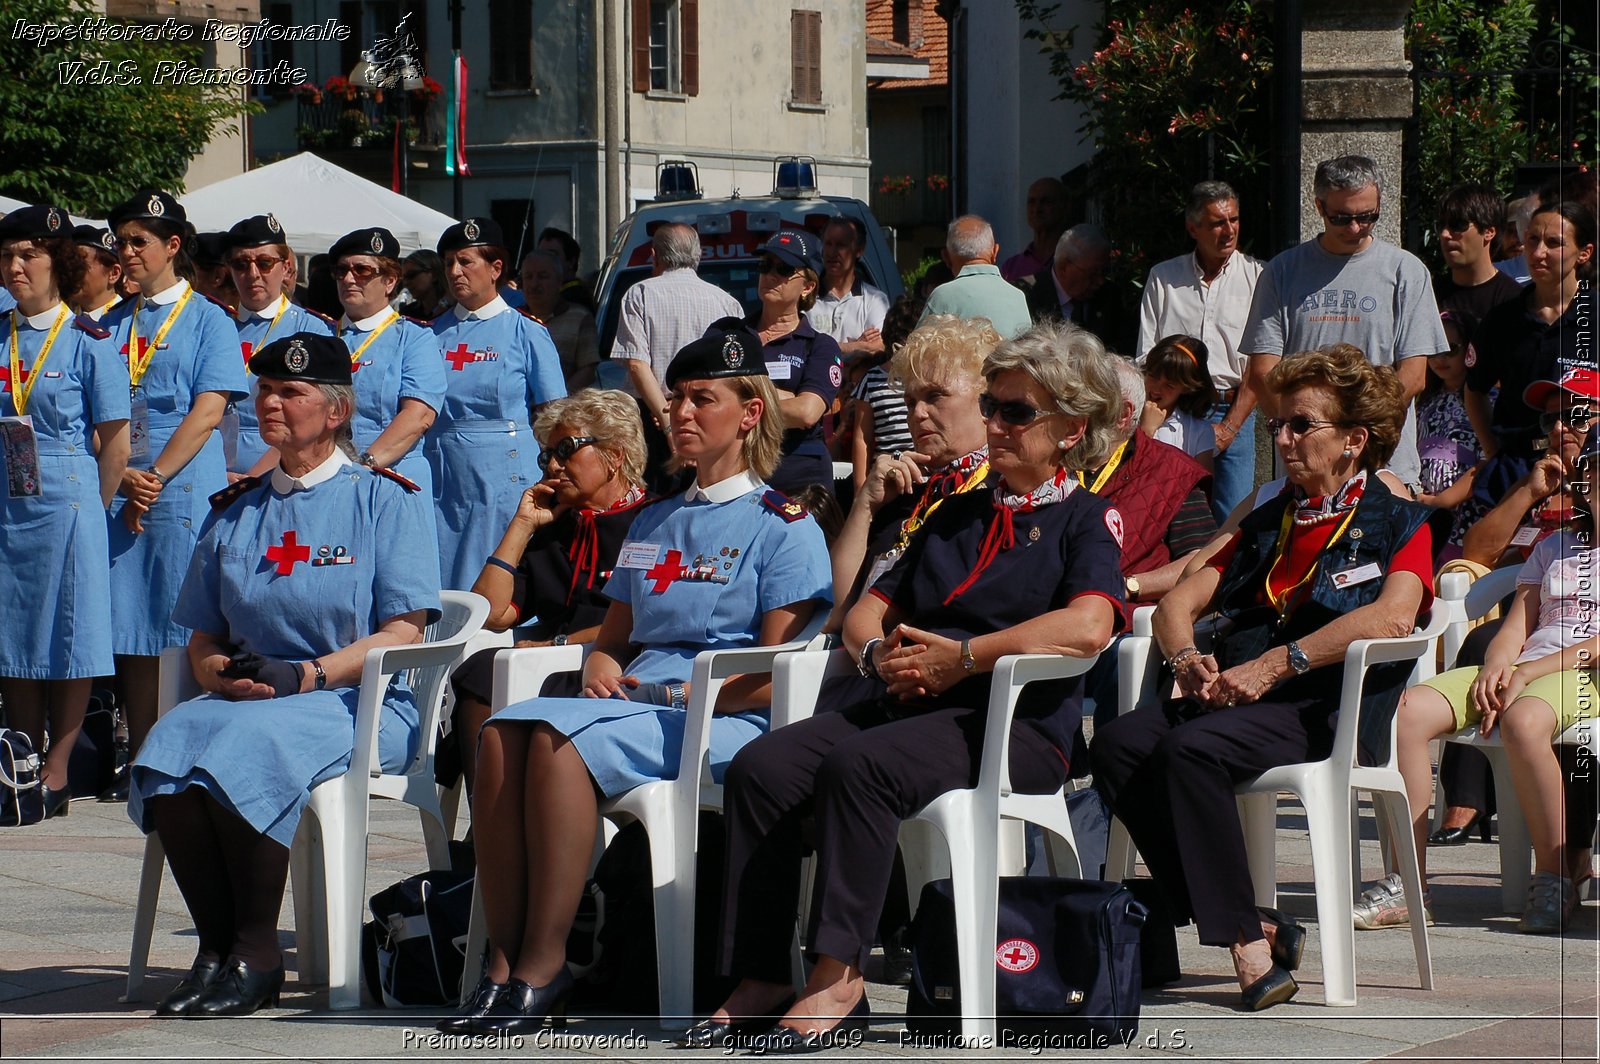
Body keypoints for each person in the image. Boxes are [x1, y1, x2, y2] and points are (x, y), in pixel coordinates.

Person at [699, 320, 1125, 1048]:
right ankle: (764, 971)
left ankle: (837, 978)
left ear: (1069, 427)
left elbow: (1090, 625)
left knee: (857, 767)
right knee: (762, 767)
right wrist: (878, 660)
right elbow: (866, 609)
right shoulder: (958, 509)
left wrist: (961, 659)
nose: (994, 422)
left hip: (1009, 727)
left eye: (1015, 412)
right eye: (991, 405)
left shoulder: (1082, 519)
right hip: (905, 702)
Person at [441, 322, 832, 1036]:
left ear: (749, 413)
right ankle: (502, 962)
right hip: (632, 711)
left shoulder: (784, 524)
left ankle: (546, 963)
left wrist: (684, 692)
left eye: (701, 400)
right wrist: (600, 665)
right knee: (501, 732)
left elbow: (780, 672)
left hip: (717, 719)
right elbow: (614, 638)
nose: (680, 413)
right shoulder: (656, 521)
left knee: (556, 740)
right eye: (676, 399)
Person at [1093, 343, 1433, 1010]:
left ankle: (1245, 947)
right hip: (1236, 699)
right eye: (1278, 423)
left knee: (1191, 751)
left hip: (1323, 711)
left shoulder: (1397, 520)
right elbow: (1179, 604)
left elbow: (1394, 618)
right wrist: (1187, 661)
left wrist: (1279, 663)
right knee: (1117, 745)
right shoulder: (1267, 519)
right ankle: (1258, 921)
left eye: (1300, 425)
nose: (1281, 437)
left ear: (1353, 441)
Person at [127, 332, 441, 1017]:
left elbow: (404, 630)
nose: (271, 402)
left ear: (334, 412)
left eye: (291, 392)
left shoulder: (383, 500)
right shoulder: (236, 509)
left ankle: (258, 952)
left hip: (358, 703)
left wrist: (306, 673)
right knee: (170, 747)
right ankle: (216, 951)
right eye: (265, 390)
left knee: (245, 746)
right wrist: (217, 674)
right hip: (253, 698)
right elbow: (204, 634)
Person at [1385, 426, 1598, 934]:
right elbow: (1518, 624)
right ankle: (1407, 884)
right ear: (1586, 481)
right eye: (1596, 473)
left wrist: (1528, 671)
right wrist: (1497, 665)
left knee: (1524, 722)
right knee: (1407, 711)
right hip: (1529, 667)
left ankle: (1553, 878)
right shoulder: (1556, 547)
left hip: (1582, 674)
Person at [103, 190, 246, 777]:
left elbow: (209, 409)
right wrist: (122, 473)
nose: (127, 252)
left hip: (179, 479)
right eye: (122, 241)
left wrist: (155, 473)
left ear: (173, 246)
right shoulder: (111, 320)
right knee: (129, 620)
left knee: (180, 619)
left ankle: (185, 751)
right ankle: (142, 751)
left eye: (139, 241)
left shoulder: (210, 318)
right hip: (121, 476)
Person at [447, 389, 650, 795]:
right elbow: (491, 612)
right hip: (549, 666)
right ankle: (488, 823)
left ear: (615, 455)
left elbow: (641, 621)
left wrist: (556, 643)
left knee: (492, 671)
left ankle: (497, 821)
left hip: (620, 671)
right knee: (479, 667)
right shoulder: (555, 528)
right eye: (547, 456)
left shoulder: (653, 522)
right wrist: (522, 526)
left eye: (566, 449)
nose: (553, 465)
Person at [0, 205, 131, 819]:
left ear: (62, 263)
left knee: (72, 632)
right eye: (7, 256)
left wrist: (93, 512)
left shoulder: (89, 340)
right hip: (8, 496)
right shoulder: (0, 333)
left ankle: (57, 771)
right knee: (15, 629)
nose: (16, 266)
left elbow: (117, 442)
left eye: (29, 254)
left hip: (71, 494)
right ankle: (20, 758)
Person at [1240, 155, 1447, 488]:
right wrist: (1309, 432)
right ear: (1319, 207)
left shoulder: (1406, 271)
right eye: (1342, 218)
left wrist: (1356, 434)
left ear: (1380, 202)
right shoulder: (1281, 272)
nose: (1355, 228)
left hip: (1385, 466)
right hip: (1306, 468)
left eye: (1367, 216)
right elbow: (1265, 373)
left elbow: (1413, 377)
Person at [828, 314, 999, 631]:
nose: (918, 413)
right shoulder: (909, 489)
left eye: (935, 396)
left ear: (985, 404)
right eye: (910, 402)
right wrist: (865, 507)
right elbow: (837, 609)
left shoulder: (1004, 492)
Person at [427, 217, 567, 591]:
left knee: (496, 571)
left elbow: (557, 414)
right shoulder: (430, 333)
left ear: (496, 269)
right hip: (442, 472)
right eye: (448, 264)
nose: (454, 272)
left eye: (465, 261)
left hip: (502, 476)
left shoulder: (526, 331)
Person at [1461, 200, 1596, 536]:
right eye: (1533, 240)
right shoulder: (1502, 319)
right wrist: (1492, 448)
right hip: (1516, 469)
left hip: (1588, 469)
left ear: (1584, 253)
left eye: (1554, 243)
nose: (1537, 253)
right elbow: (1474, 389)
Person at [1137, 181, 1264, 520]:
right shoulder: (1164, 278)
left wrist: (1231, 427)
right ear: (1192, 227)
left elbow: (1260, 362)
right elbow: (1147, 354)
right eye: (1217, 223)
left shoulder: (1258, 277)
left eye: (1234, 220)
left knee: (1232, 517)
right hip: (1177, 411)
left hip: (1232, 409)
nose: (1229, 230)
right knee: (1171, 510)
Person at [329, 227, 447, 498]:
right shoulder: (321, 336)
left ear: (390, 281)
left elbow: (418, 416)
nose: (348, 278)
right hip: (326, 478)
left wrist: (363, 466)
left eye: (362, 270)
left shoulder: (414, 338)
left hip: (391, 476)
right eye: (341, 270)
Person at [222, 215, 335, 479]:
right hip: (215, 467)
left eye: (264, 263)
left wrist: (253, 479)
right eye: (240, 264)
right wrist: (216, 472)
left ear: (285, 268)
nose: (252, 275)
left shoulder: (311, 329)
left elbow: (312, 421)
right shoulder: (216, 323)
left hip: (282, 469)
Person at [611, 224, 743, 428]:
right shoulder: (727, 302)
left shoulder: (639, 294)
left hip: (651, 414)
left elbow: (637, 364)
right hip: (707, 412)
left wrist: (667, 420)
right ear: (698, 255)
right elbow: (732, 369)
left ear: (654, 256)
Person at [747, 232, 844, 494]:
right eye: (765, 266)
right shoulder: (731, 334)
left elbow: (805, 413)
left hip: (800, 480)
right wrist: (783, 396)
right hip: (740, 475)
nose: (771, 275)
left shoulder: (820, 346)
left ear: (808, 287)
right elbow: (705, 391)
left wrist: (742, 394)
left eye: (784, 269)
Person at [1414, 311, 1483, 560]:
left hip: (1467, 512)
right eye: (1433, 350)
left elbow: (1487, 460)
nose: (1440, 358)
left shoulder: (1486, 400)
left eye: (1450, 349)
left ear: (1469, 348)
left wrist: (1444, 500)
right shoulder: (1424, 401)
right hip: (1425, 510)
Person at [918, 215, 1032, 339]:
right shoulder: (1018, 297)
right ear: (995, 252)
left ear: (946, 256)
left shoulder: (943, 296)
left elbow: (914, 354)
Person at [1433, 183, 1525, 323]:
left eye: (1458, 225)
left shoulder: (1514, 300)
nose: (1445, 234)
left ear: (1488, 232)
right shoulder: (1429, 295)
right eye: (1440, 226)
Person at [807, 217, 890, 364]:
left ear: (859, 250)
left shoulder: (875, 299)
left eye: (841, 245)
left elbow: (879, 348)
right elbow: (804, 348)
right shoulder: (806, 296)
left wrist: (823, 347)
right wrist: (857, 346)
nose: (832, 252)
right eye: (828, 244)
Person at [1021, 224, 1118, 347]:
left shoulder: (1110, 296)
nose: (1100, 281)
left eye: (1104, 272)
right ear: (1064, 267)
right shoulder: (1025, 296)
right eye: (1093, 274)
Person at [519, 248, 598, 392]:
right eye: (528, 277)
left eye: (543, 276)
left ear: (559, 281)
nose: (534, 284)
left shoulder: (580, 317)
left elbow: (588, 370)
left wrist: (558, 402)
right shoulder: (512, 319)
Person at [1139, 334, 1219, 469]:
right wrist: (1146, 432)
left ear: (1186, 388)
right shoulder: (1127, 416)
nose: (1157, 388)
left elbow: (1202, 484)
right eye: (1152, 376)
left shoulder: (1200, 431)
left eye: (1169, 385)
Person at [999, 177, 1069, 283]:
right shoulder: (1011, 267)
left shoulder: (1074, 261)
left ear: (1065, 207)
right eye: (1031, 202)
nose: (1037, 209)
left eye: (1046, 202)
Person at [68, 225, 125, 321]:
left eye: (80, 263)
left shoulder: (128, 320)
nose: (70, 270)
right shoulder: (64, 321)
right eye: (69, 263)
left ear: (113, 273)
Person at [537, 226, 596, 312]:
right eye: (541, 254)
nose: (544, 260)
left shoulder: (575, 298)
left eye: (552, 255)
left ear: (571, 261)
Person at [398, 249, 451, 320]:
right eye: (404, 278)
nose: (406, 283)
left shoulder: (456, 311)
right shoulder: (407, 314)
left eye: (411, 275)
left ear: (434, 274)